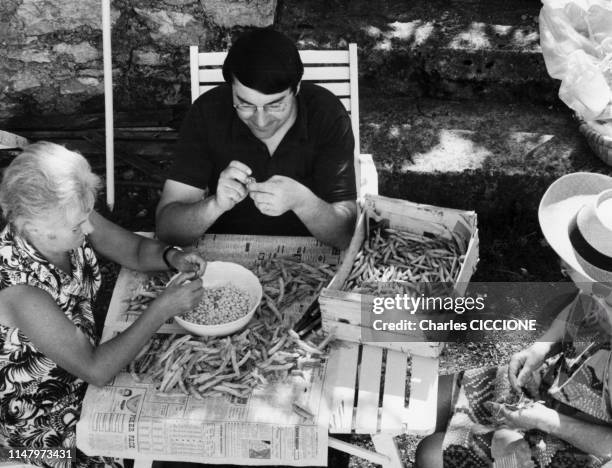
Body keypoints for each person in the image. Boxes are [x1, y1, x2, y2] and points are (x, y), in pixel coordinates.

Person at [0, 142, 207, 468]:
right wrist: (162, 309)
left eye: (87, 216)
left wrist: (172, 256)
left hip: (85, 377)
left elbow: (134, 250)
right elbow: (96, 369)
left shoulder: (70, 213)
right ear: (33, 227)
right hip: (45, 435)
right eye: (77, 226)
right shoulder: (19, 289)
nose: (89, 228)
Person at [415, 172, 612, 468]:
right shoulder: (598, 293)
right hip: (554, 389)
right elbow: (577, 307)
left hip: (578, 437)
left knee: (430, 453)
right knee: (439, 391)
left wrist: (545, 420)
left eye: (568, 267)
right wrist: (541, 348)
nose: (561, 266)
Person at [155, 28, 357, 249]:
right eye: (245, 104)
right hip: (225, 253)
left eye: (276, 105)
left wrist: (303, 202)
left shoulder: (327, 115)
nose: (261, 121)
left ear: (297, 88)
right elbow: (167, 229)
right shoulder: (207, 112)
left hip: (310, 252)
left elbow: (346, 235)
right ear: (231, 88)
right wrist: (214, 205)